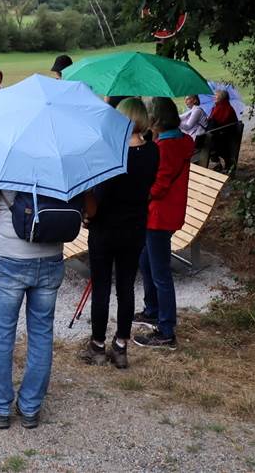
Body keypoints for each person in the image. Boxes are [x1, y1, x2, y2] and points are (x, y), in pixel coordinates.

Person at [0, 175, 67, 430]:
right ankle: (30, 407)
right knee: (42, 334)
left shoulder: (2, 158)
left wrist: (0, 203)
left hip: (9, 258)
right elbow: (90, 210)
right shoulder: (64, 157)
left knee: (2, 335)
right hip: (51, 257)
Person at [79, 98, 159, 369]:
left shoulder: (111, 154)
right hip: (135, 228)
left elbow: (96, 202)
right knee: (126, 288)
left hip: (105, 230)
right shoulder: (153, 152)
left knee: (101, 287)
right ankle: (121, 345)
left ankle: (98, 345)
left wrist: (87, 205)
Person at [133, 97, 194, 350]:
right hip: (167, 214)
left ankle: (166, 330)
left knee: (160, 272)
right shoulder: (181, 141)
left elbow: (158, 186)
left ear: (155, 121)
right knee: (146, 261)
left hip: (159, 216)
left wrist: (137, 193)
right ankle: (152, 309)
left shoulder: (165, 148)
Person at [206, 89, 239, 171]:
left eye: (216, 96)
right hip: (221, 133)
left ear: (221, 97)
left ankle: (217, 163)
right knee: (208, 138)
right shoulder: (218, 106)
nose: (214, 97)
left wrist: (210, 120)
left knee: (208, 141)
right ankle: (217, 163)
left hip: (225, 135)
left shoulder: (223, 107)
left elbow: (218, 121)